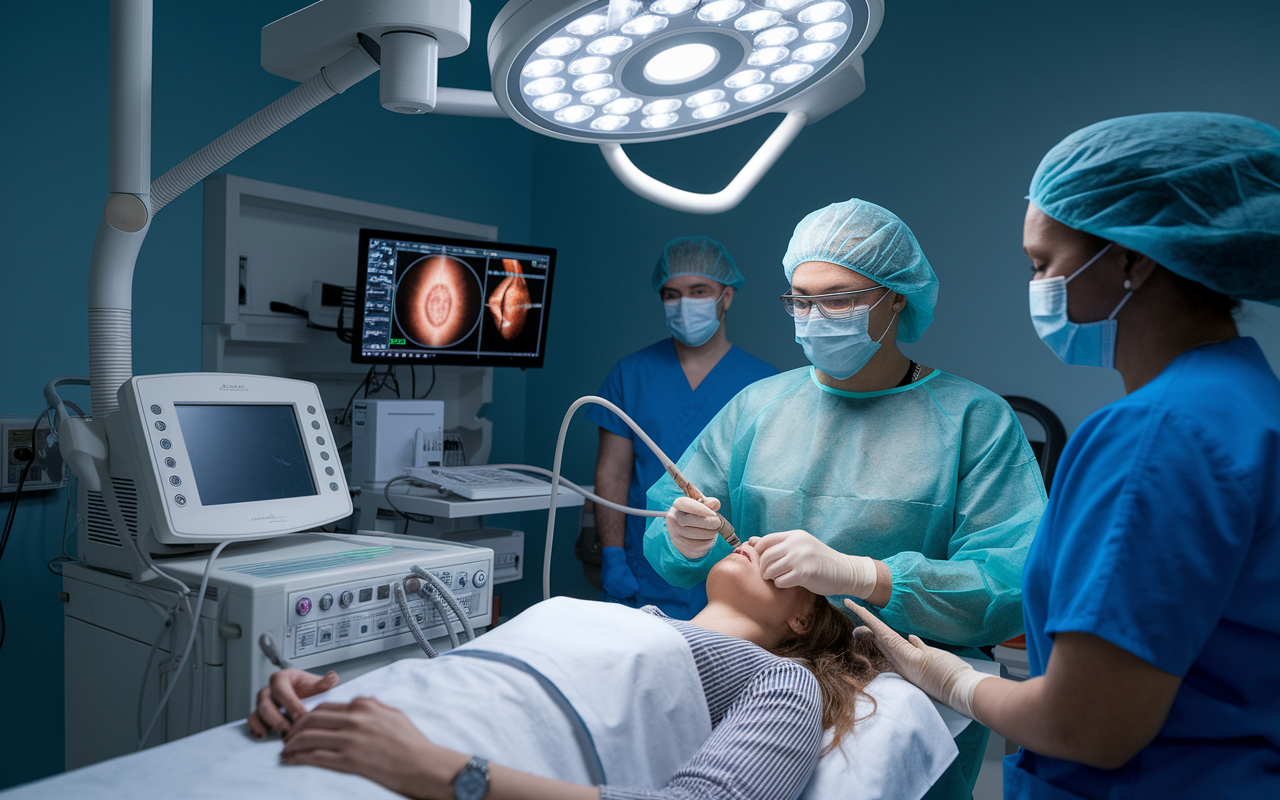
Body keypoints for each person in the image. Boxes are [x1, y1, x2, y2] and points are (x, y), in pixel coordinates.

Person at [849, 111, 1280, 799]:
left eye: (1042, 264)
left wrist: (951, 679)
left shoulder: (1154, 436)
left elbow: (1089, 728)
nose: (1037, 287)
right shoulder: (1251, 403)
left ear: (1132, 259)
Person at [643, 198, 1048, 799]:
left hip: (904, 686)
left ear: (896, 298)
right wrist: (681, 536)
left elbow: (1012, 584)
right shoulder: (760, 407)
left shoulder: (973, 420)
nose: (813, 316)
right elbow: (669, 532)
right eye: (800, 300)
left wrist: (866, 576)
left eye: (838, 299)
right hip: (750, 670)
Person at [248, 542, 890, 800]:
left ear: (805, 619)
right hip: (323, 730)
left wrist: (444, 771)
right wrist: (331, 694)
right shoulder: (618, 617)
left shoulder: (781, 682)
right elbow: (474, 678)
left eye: (788, 557)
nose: (758, 540)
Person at [589, 236, 776, 618]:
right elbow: (613, 472)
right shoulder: (631, 374)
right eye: (672, 294)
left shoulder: (765, 386)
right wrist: (611, 555)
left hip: (731, 569)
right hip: (646, 564)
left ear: (726, 296)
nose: (684, 304)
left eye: (699, 291)